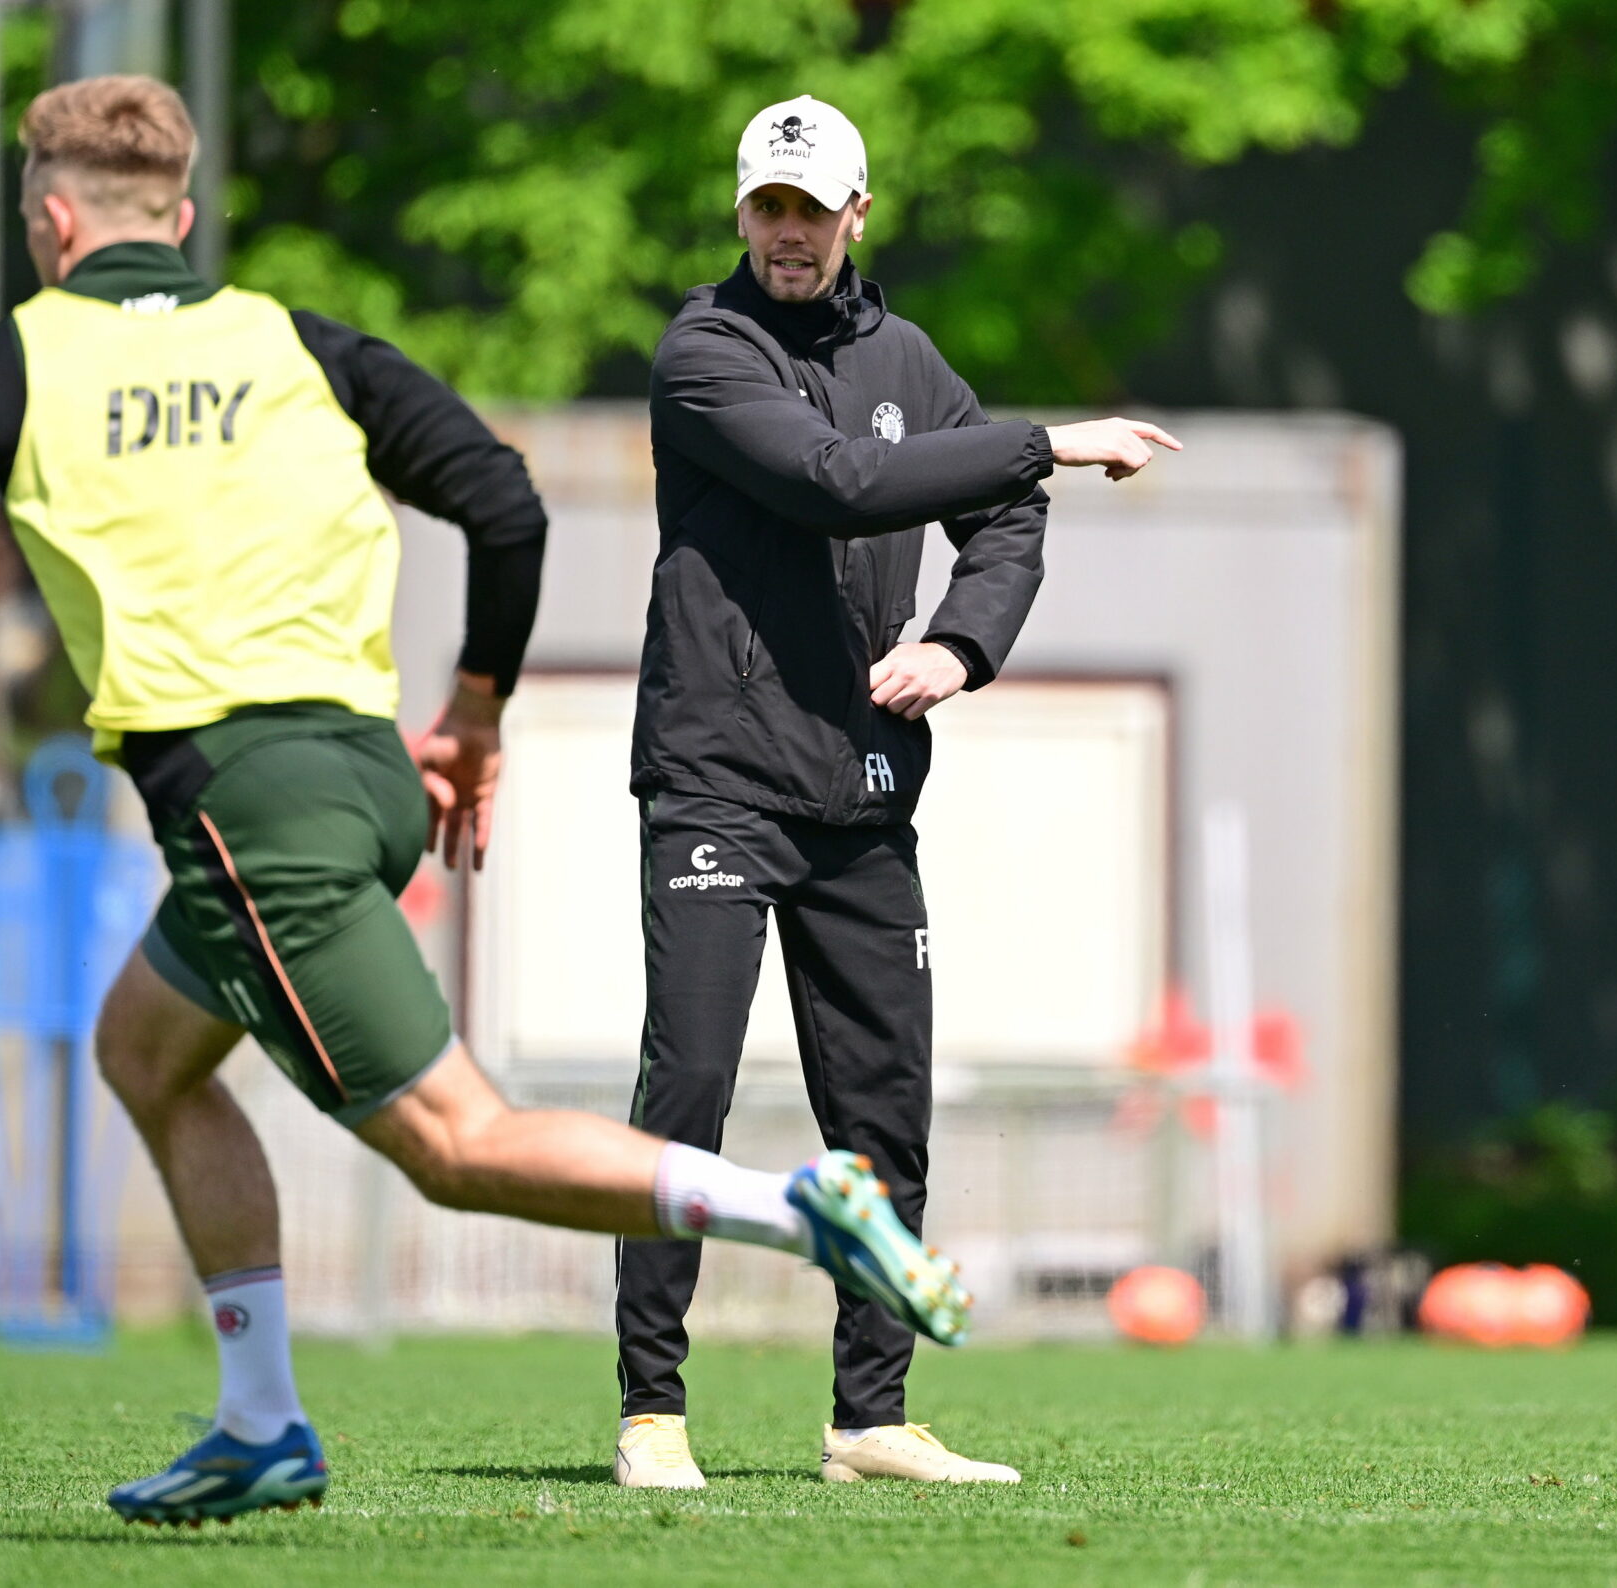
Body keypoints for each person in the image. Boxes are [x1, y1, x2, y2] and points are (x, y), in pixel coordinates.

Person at [0, 75, 966, 1528]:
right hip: (366, 771)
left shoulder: (8, 368)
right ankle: (261, 1418)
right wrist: (470, 713)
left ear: (52, 219)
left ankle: (800, 1210)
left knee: (459, 1148)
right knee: (145, 1052)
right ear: (186, 218)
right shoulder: (290, 340)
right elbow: (506, 503)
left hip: (245, 811)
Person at [612, 94, 1178, 1489]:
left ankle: (869, 1419)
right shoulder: (705, 350)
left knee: (885, 1107)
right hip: (718, 786)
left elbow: (997, 518)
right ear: (741, 214)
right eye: (768, 209)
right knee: (685, 1084)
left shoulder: (906, 359)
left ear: (858, 213)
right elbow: (835, 481)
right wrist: (1049, 433)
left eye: (813, 210)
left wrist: (959, 644)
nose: (789, 234)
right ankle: (651, 1414)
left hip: (859, 793)